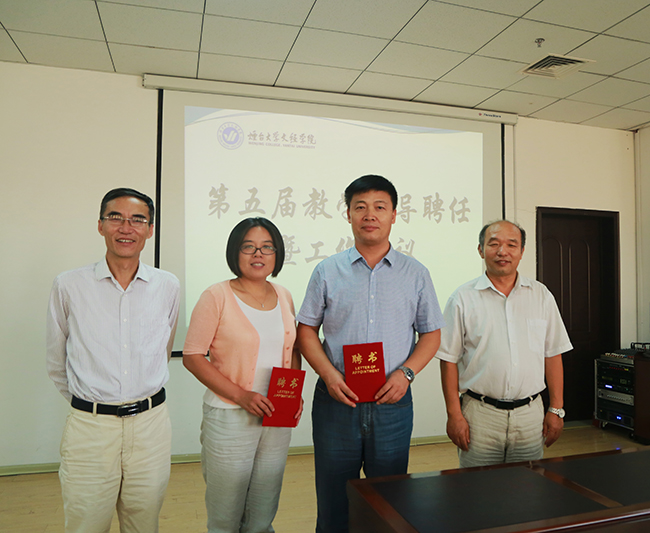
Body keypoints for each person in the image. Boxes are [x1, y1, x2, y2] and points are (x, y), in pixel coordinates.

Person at [297, 174, 443, 533]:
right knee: (334, 501)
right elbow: (306, 330)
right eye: (360, 207)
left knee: (388, 503)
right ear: (348, 214)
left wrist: (406, 374)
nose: (370, 215)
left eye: (380, 207)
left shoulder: (416, 273)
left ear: (394, 215)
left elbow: (431, 333)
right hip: (336, 401)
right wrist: (329, 374)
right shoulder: (327, 270)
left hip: (391, 402)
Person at [46, 187, 180, 532]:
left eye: (137, 220)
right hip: (90, 429)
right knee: (86, 523)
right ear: (100, 225)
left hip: (150, 427)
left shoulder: (167, 286)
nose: (126, 228)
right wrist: (92, 402)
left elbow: (163, 350)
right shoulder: (69, 285)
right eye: (115, 218)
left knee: (144, 522)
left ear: (150, 230)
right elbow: (56, 361)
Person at [182, 217, 302, 533]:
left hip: (276, 416)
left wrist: (293, 393)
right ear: (235, 252)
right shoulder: (216, 296)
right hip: (229, 416)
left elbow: (293, 348)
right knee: (226, 513)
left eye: (267, 247)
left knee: (264, 506)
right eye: (248, 247)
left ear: (277, 254)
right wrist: (242, 396)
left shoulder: (284, 295)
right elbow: (192, 356)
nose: (258, 254)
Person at [436, 220, 572, 468]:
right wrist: (454, 415)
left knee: (527, 485)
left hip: (530, 415)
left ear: (522, 251)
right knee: (479, 487)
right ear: (481, 250)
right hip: (480, 415)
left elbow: (553, 354)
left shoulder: (541, 295)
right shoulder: (462, 298)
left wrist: (556, 409)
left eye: (511, 245)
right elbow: (448, 360)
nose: (502, 251)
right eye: (494, 244)